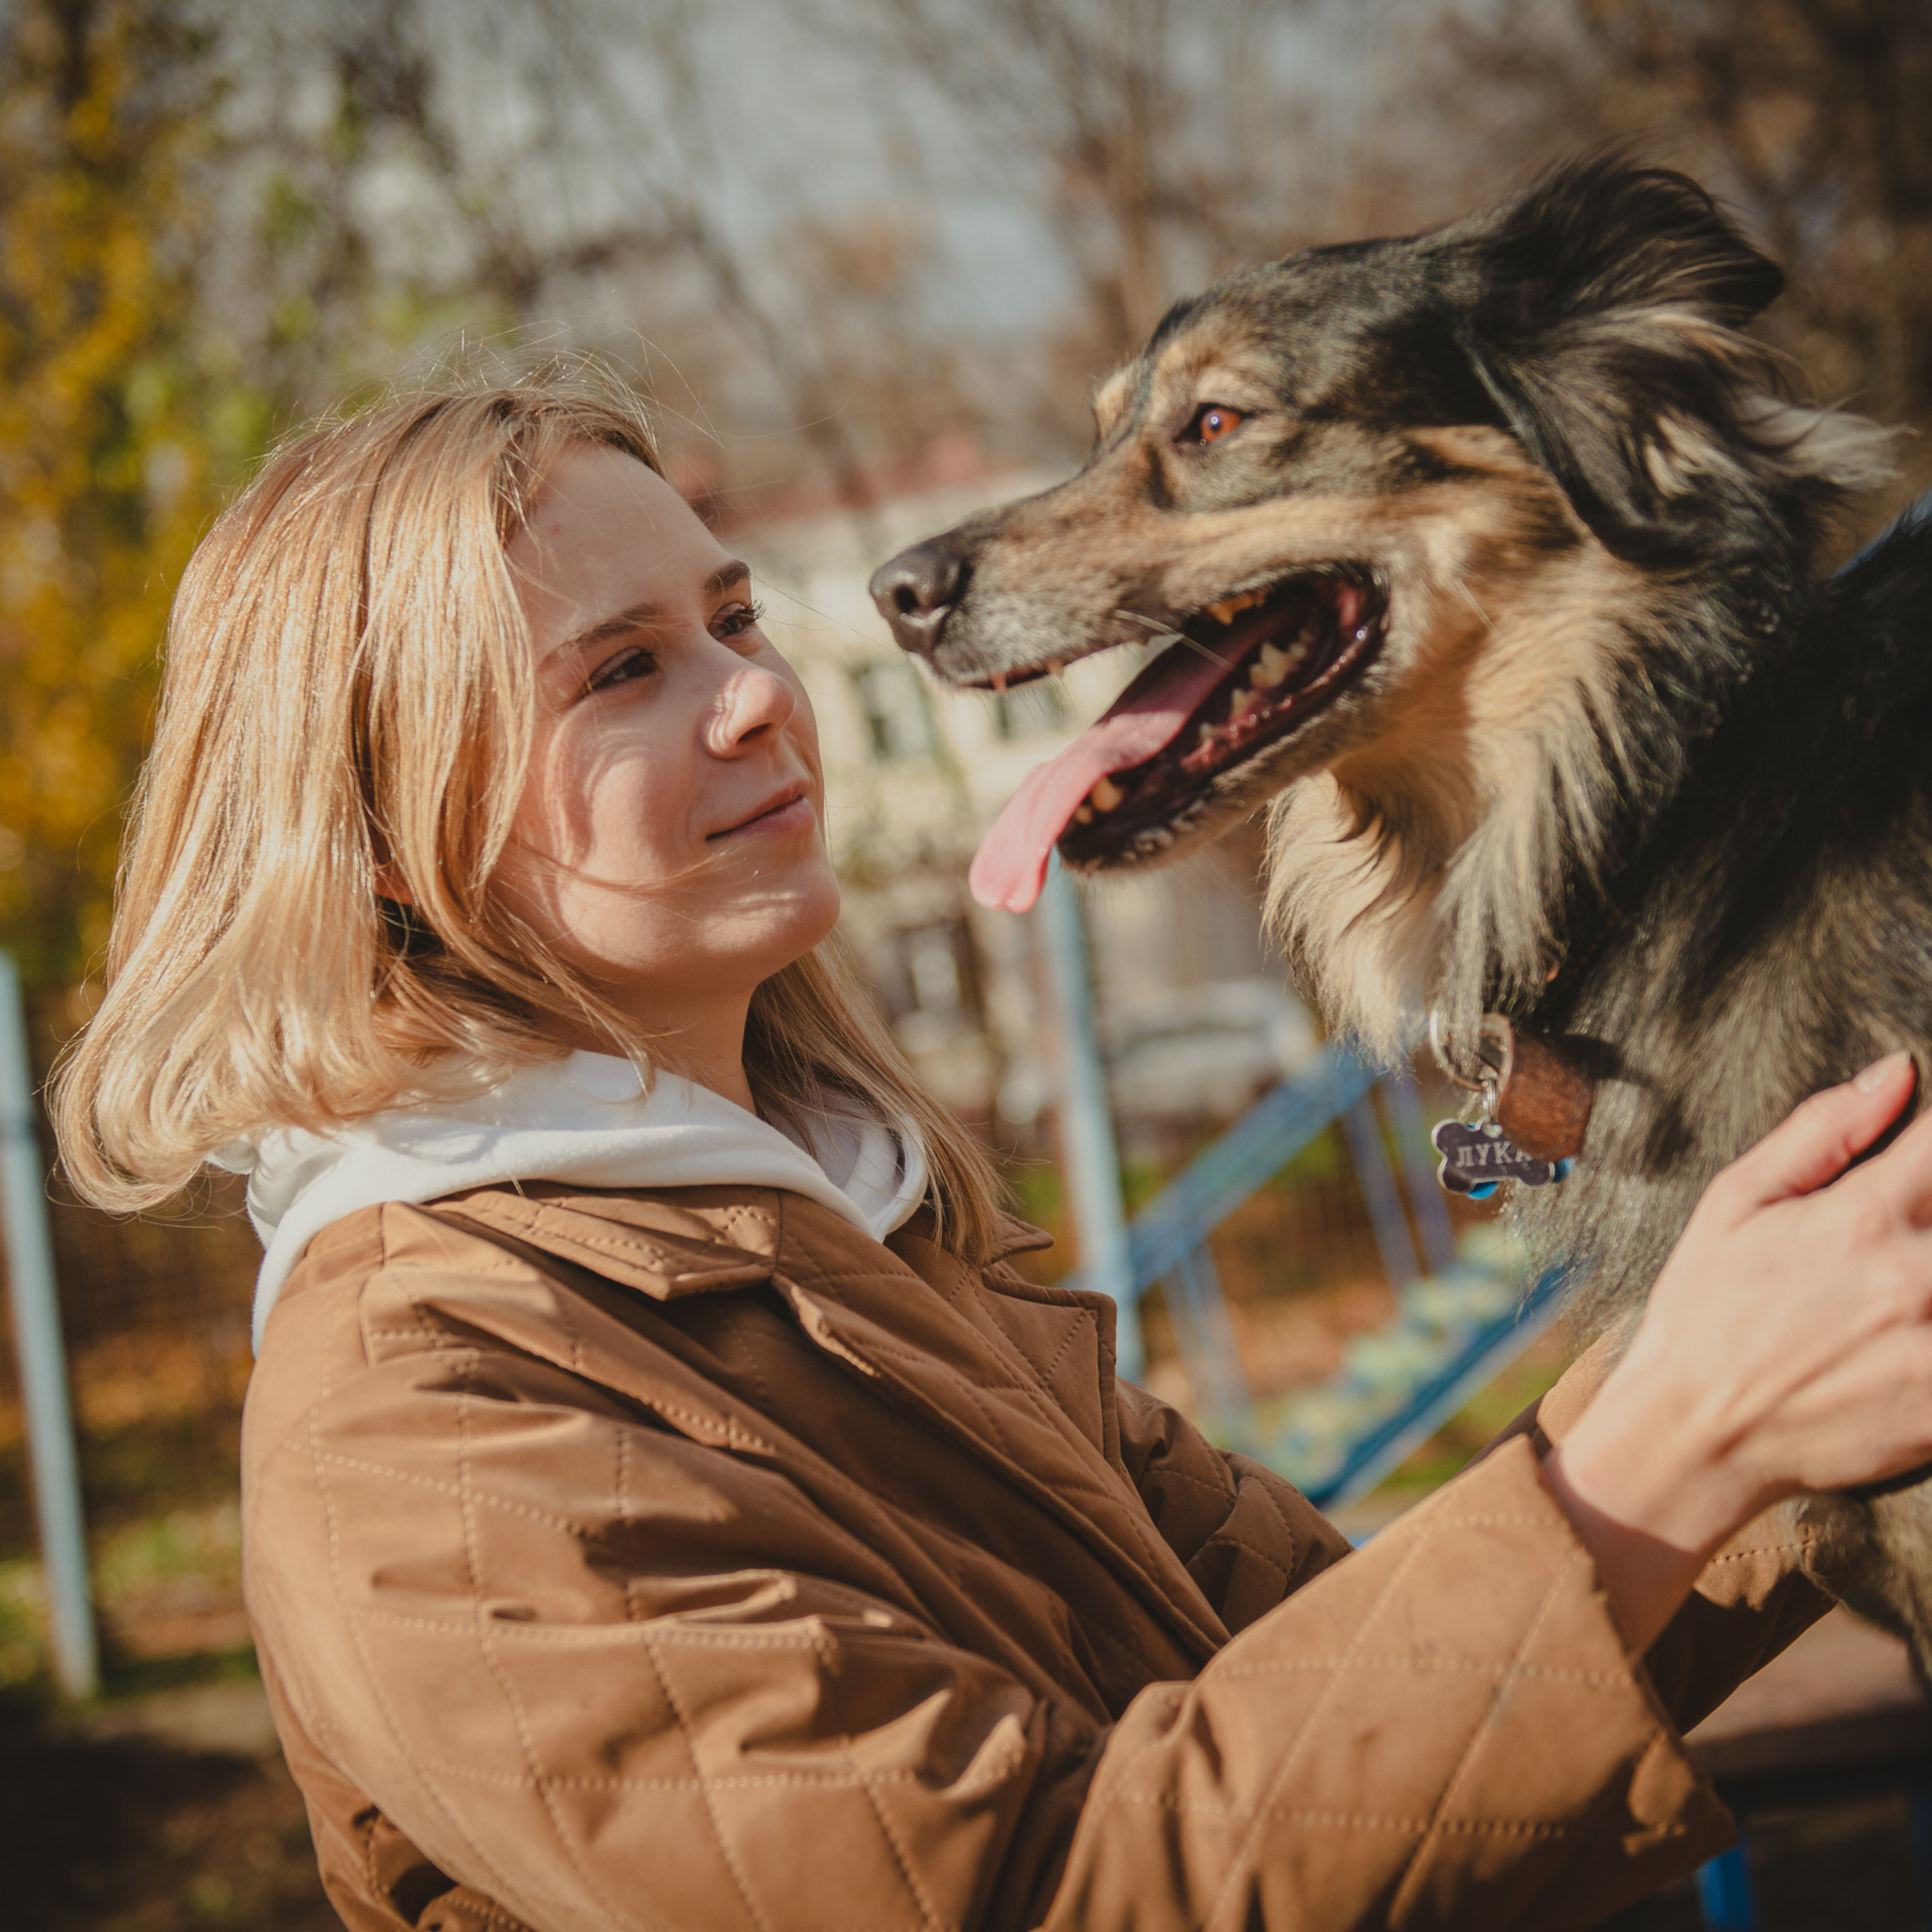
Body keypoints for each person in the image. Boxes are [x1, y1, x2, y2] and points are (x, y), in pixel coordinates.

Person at [51, 369, 1932, 1932]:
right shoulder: (433, 1426)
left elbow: (1346, 1680)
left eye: (730, 615)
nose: (755, 693)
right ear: (381, 838)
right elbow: (1043, 1889)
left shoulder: (846, 1238)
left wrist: (1797, 1341)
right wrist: (1682, 1425)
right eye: (615, 671)